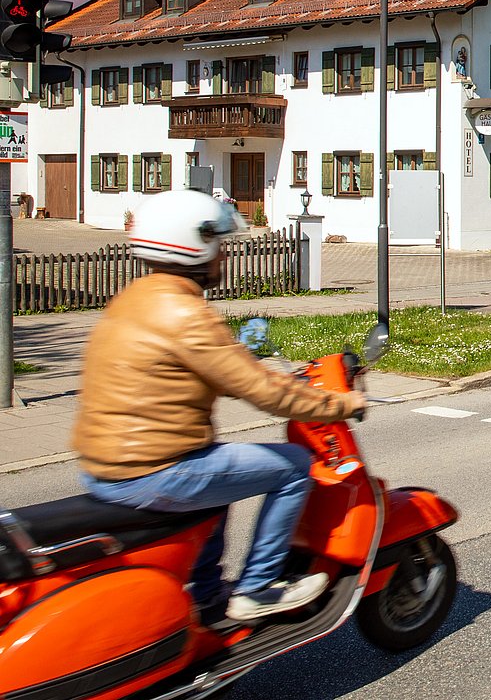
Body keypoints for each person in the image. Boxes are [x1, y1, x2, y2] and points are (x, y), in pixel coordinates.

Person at [72, 189, 365, 623]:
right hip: (155, 471)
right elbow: (263, 394)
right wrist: (341, 404)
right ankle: (256, 589)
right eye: (220, 246)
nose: (224, 256)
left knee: (222, 471)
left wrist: (269, 370)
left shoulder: (134, 300)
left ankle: (206, 593)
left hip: (102, 465)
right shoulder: (187, 314)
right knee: (293, 466)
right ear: (197, 245)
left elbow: (212, 370)